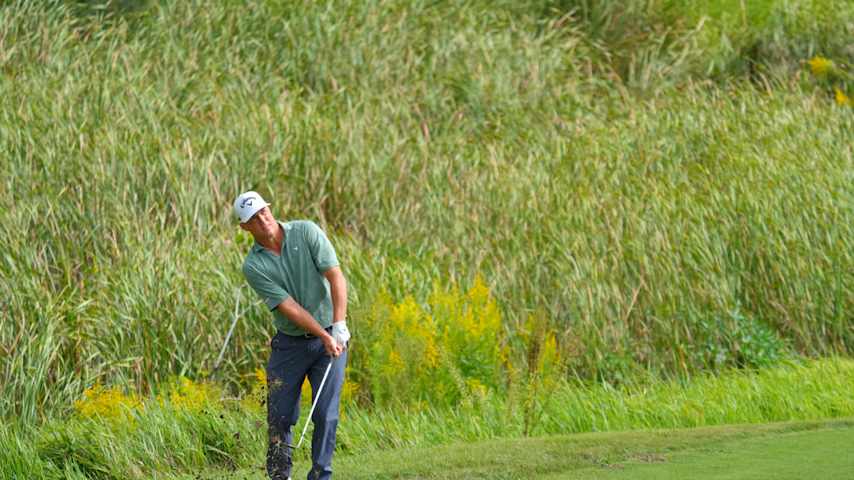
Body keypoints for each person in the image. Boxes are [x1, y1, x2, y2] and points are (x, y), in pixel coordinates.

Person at [234, 191, 350, 480]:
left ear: (270, 209)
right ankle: (279, 475)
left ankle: (321, 475)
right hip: (290, 344)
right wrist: (322, 336)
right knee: (280, 414)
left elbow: (335, 276)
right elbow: (290, 309)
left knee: (325, 414)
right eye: (254, 219)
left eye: (264, 212)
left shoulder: (306, 231)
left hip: (332, 333)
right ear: (245, 228)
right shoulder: (254, 266)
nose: (263, 220)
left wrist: (338, 324)